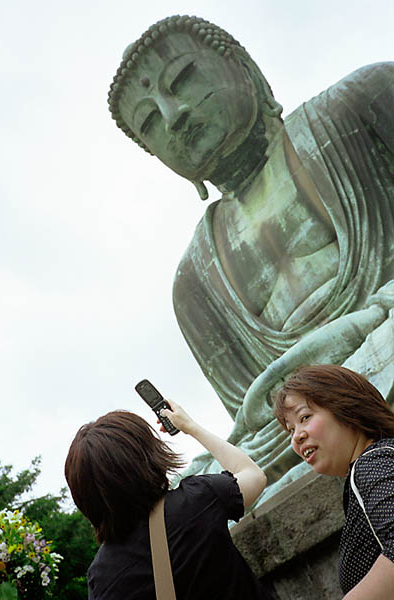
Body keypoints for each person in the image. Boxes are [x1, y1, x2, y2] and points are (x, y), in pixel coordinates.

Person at [108, 14, 394, 492]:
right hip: (300, 429)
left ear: (245, 69)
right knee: (208, 484)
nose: (173, 115)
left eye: (181, 80)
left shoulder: (363, 103)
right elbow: (260, 418)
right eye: (151, 122)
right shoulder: (194, 283)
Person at [64, 400, 273, 599]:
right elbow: (253, 476)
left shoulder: (100, 577)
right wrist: (190, 426)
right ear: (147, 457)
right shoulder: (197, 498)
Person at [274, 364, 394, 598]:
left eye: (304, 417)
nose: (297, 436)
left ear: (346, 408)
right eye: (290, 429)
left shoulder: (371, 464)